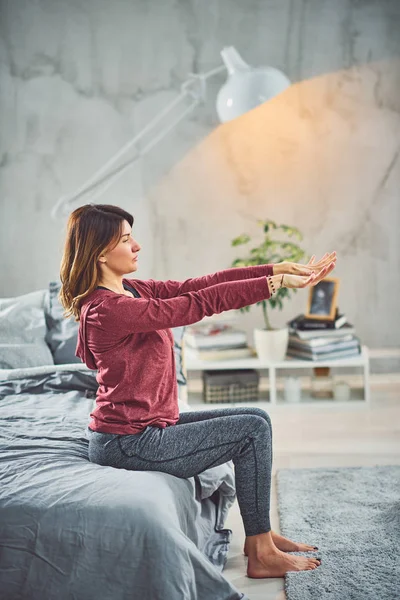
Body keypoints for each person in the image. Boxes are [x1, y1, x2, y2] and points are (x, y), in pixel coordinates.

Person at [59, 203, 337, 579]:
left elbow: (197, 285)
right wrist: (273, 286)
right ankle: (259, 552)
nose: (137, 245)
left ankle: (262, 534)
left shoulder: (131, 291)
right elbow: (197, 304)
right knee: (250, 432)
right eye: (127, 239)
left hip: (148, 427)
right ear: (101, 252)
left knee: (257, 418)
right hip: (128, 442)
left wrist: (274, 270)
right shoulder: (108, 310)